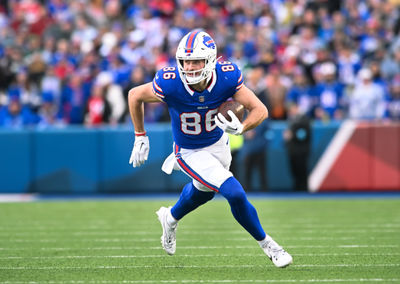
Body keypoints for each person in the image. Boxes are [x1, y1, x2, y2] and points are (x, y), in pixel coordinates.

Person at [127, 30, 293, 268]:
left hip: (219, 144)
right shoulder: (171, 81)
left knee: (203, 192)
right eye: (186, 60)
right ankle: (270, 246)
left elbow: (260, 109)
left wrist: (242, 128)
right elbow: (135, 95)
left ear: (211, 60)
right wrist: (140, 136)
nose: (190, 67)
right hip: (189, 151)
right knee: (234, 192)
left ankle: (170, 217)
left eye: (196, 60)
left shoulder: (226, 78)